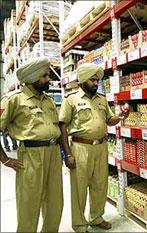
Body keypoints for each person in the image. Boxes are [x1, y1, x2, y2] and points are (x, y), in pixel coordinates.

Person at [59, 63, 129, 233]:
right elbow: (62, 126)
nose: (95, 83)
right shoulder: (71, 100)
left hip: (101, 146)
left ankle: (96, 217)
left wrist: (119, 117)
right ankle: (79, 223)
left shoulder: (102, 99)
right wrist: (67, 154)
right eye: (92, 80)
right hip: (80, 147)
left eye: (97, 80)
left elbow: (109, 120)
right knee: (79, 187)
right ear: (82, 81)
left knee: (100, 185)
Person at [0, 57, 63, 232]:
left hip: (54, 153)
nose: (48, 79)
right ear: (31, 78)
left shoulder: (49, 101)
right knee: (29, 202)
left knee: (54, 201)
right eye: (44, 76)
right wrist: (5, 159)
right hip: (31, 155)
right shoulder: (14, 100)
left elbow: (57, 127)